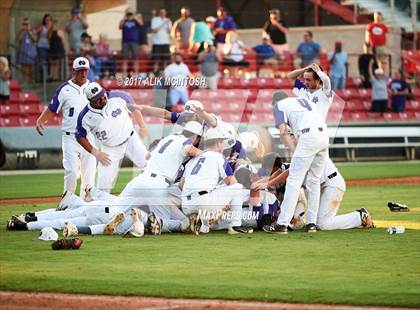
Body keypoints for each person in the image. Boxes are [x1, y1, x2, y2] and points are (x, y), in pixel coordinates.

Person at [263, 92, 329, 234]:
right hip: (324, 136)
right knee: (314, 180)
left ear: (274, 102)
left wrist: (294, 150)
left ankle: (282, 224)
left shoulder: (279, 105)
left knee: (294, 180)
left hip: (308, 136)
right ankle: (312, 223)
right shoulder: (305, 101)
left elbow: (283, 132)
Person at [35, 57, 96, 200]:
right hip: (71, 137)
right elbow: (52, 108)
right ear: (73, 71)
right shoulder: (64, 89)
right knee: (72, 172)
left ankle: (86, 204)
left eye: (85, 71)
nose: (83, 74)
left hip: (89, 137)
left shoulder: (93, 88)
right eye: (80, 71)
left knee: (89, 174)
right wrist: (40, 120)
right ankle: (67, 202)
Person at [75, 82, 148, 193]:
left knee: (149, 166)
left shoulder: (117, 96)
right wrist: (96, 153)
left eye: (102, 94)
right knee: (103, 185)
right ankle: (102, 208)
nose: (102, 98)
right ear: (91, 101)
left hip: (131, 140)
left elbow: (134, 109)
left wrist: (142, 126)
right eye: (97, 98)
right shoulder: (85, 116)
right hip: (110, 149)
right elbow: (80, 137)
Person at [180, 127, 252, 235]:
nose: (223, 146)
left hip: (185, 205)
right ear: (218, 143)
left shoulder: (193, 160)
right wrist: (225, 206)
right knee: (237, 187)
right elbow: (231, 182)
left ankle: (195, 223)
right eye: (222, 142)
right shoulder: (218, 156)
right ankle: (235, 226)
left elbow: (181, 184)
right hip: (203, 202)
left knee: (205, 226)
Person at [119, 8, 142, 75]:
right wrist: (124, 17)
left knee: (135, 59)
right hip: (125, 42)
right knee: (125, 60)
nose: (129, 15)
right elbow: (120, 26)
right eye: (128, 13)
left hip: (134, 41)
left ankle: (136, 75)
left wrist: (134, 16)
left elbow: (141, 24)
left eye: (130, 13)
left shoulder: (135, 20)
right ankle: (124, 75)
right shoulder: (124, 21)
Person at [16, 17, 37, 84]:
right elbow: (19, 39)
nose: (26, 25)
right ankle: (25, 82)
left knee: (32, 69)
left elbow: (35, 39)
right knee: (24, 69)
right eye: (25, 24)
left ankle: (31, 82)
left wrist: (29, 32)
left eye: (28, 24)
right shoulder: (21, 31)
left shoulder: (33, 31)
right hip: (23, 53)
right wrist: (24, 31)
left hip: (31, 53)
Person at [151, 8, 172, 72]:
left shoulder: (168, 20)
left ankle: (165, 73)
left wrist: (167, 23)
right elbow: (154, 30)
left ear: (165, 13)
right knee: (156, 60)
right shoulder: (155, 19)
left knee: (165, 59)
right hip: (157, 43)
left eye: (164, 12)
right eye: (161, 12)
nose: (162, 14)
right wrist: (163, 23)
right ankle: (155, 73)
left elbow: (169, 31)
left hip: (165, 42)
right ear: (159, 13)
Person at [36, 14, 52, 81]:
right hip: (42, 46)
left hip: (50, 47)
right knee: (42, 62)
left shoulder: (52, 27)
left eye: (49, 19)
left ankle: (48, 77)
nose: (47, 21)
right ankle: (42, 78)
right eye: (46, 19)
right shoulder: (42, 27)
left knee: (49, 62)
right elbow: (34, 31)